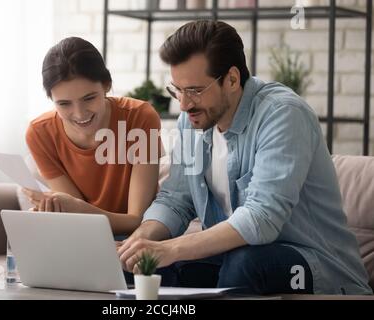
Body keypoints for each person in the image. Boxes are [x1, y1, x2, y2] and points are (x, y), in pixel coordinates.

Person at [118, 20, 373, 295]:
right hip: (232, 258)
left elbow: (261, 217)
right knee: (148, 265)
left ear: (231, 79)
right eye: (177, 90)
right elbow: (176, 200)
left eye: (195, 90)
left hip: (320, 268)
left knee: (247, 264)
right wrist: (141, 241)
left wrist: (172, 248)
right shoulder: (192, 121)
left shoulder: (283, 114)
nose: (183, 104)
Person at [23, 37, 162, 236]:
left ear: (106, 85)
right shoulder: (39, 133)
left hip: (135, 240)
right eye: (64, 104)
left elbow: (136, 220)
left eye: (89, 98)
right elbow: (77, 218)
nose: (79, 114)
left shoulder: (139, 118)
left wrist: (74, 210)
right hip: (83, 237)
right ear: (51, 99)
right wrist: (56, 209)